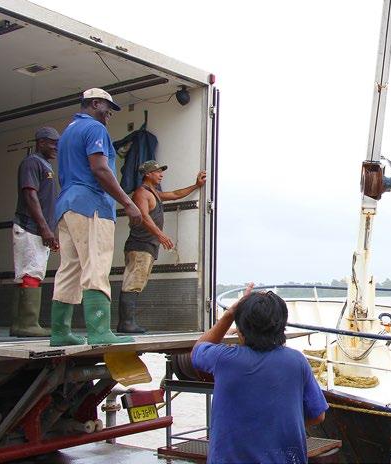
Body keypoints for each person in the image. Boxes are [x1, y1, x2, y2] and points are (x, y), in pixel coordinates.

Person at [191, 285, 328, 463]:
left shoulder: (223, 358)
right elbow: (318, 415)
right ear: (282, 327)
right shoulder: (297, 361)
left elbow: (197, 351)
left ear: (240, 329)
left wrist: (230, 314)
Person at [49, 88, 143, 347]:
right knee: (97, 263)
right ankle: (100, 331)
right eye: (108, 108)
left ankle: (60, 333)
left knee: (70, 267)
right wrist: (127, 202)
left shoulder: (68, 132)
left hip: (67, 205)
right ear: (94, 103)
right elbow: (100, 169)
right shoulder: (95, 129)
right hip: (90, 204)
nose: (110, 114)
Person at [117, 160, 207, 333]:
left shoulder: (154, 193)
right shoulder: (141, 193)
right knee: (133, 282)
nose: (161, 174)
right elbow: (143, 216)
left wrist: (196, 185)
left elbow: (174, 194)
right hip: (140, 244)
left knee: (137, 282)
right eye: (158, 172)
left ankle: (127, 322)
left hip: (147, 245)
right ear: (148, 174)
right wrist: (160, 234)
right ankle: (126, 323)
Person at [10, 127, 60, 337]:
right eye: (52, 143)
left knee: (33, 271)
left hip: (39, 229)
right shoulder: (32, 162)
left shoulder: (45, 164)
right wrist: (44, 228)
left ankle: (23, 324)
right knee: (30, 271)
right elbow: (30, 195)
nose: (56, 147)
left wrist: (48, 230)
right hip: (30, 226)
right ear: (40, 142)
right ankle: (26, 324)